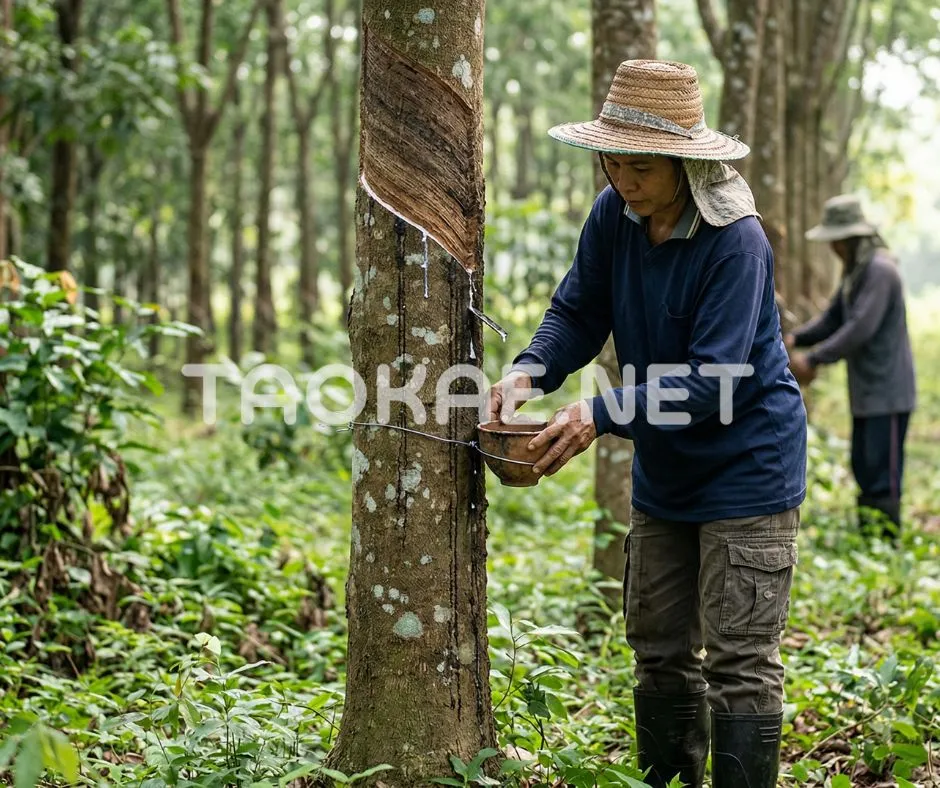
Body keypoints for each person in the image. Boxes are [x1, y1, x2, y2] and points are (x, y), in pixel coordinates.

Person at [486, 61, 807, 788]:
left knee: (739, 660)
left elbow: (712, 381)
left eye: (640, 166)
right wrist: (529, 371)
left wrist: (600, 412)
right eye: (611, 162)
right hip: (666, 471)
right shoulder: (613, 216)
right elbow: (578, 310)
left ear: (684, 164)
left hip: (748, 468)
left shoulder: (736, 239)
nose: (623, 180)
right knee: (658, 648)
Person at [786, 195, 916, 540]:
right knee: (864, 462)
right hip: (867, 390)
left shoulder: (880, 270)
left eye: (837, 242)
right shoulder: (857, 271)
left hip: (887, 391)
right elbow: (834, 319)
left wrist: (813, 360)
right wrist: (797, 339)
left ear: (850, 239)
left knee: (881, 471)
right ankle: (869, 538)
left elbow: (860, 327)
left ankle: (886, 543)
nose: (834, 249)